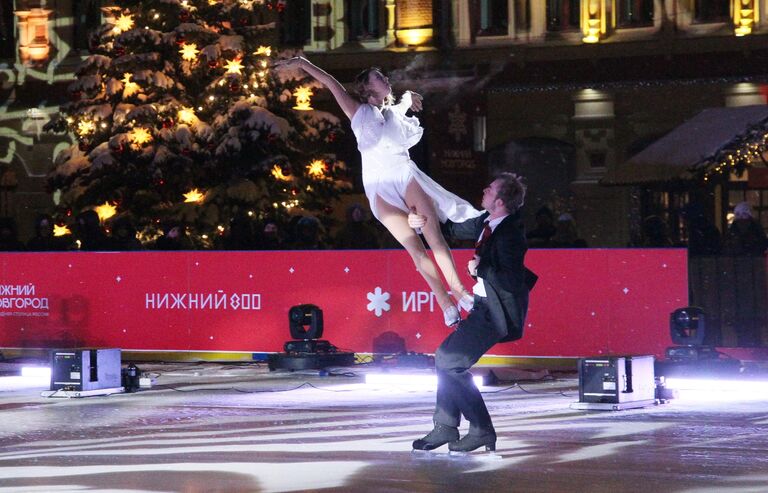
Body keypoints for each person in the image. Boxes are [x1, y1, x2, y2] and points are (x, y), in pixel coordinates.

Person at [275, 56, 482, 326]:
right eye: (380, 78)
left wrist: (409, 97)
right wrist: (302, 62)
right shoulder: (357, 111)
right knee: (416, 250)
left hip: (403, 174)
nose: (386, 80)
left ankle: (461, 293)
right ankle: (445, 303)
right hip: (378, 187)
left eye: (384, 76)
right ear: (367, 88)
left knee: (434, 238)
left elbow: (402, 103)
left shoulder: (395, 112)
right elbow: (330, 82)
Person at [408, 172, 536, 453]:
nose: (484, 191)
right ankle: (446, 426)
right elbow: (451, 231)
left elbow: (512, 280)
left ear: (500, 201)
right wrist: (420, 224)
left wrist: (481, 268)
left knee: (448, 360)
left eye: (489, 190)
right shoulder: (486, 222)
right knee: (448, 360)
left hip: (496, 311)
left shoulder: (511, 234)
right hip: (483, 307)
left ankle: (479, 429)